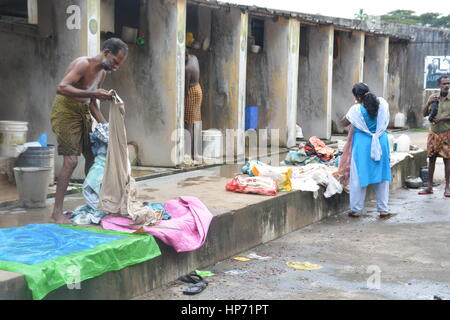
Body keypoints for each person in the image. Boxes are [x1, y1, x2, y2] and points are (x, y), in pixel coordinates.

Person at [50, 38, 128, 224]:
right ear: (106, 53)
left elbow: (93, 105)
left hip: (83, 111)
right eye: (115, 62)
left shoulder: (102, 73)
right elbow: (61, 87)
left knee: (92, 157)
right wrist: (94, 94)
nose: (115, 67)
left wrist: (106, 128)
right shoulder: (83, 63)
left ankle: (93, 203)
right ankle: (56, 212)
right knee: (70, 161)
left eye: (119, 65)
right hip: (65, 110)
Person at [339, 83, 392, 217]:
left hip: (363, 144)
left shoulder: (356, 109)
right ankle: (383, 209)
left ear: (357, 96)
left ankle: (356, 209)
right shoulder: (383, 104)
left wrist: (354, 105)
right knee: (382, 176)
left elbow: (343, 123)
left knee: (358, 176)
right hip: (381, 142)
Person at [419, 75, 450, 197]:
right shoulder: (433, 97)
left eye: (448, 83)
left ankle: (447, 188)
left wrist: (442, 119)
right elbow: (424, 114)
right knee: (431, 159)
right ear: (439, 85)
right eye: (444, 83)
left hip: (447, 133)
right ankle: (429, 186)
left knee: (447, 160)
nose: (447, 85)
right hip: (433, 133)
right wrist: (428, 104)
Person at [184, 50, 203, 163]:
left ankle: (190, 154)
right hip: (198, 89)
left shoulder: (186, 69)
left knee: (189, 123)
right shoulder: (194, 58)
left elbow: (185, 89)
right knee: (196, 121)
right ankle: (196, 152)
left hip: (191, 91)